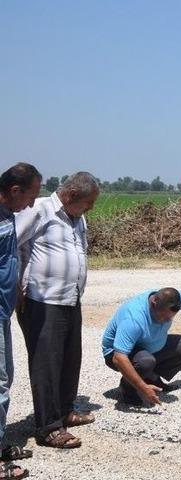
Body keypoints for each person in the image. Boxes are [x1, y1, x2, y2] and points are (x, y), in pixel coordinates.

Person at [16, 172, 99, 449]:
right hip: (43, 300)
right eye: (88, 203)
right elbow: (11, 244)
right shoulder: (39, 210)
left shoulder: (78, 218)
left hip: (70, 298)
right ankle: (49, 427)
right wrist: (18, 284)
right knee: (47, 365)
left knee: (69, 360)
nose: (91, 208)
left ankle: (65, 411)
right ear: (72, 195)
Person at [0, 163, 41, 480]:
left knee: (6, 377)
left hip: (3, 310)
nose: (31, 204)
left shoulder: (8, 215)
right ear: (15, 190)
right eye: (30, 196)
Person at [102, 288, 181, 406]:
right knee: (145, 361)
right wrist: (142, 387)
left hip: (149, 345)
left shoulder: (173, 299)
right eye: (163, 317)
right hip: (117, 353)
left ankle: (151, 378)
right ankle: (128, 389)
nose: (166, 321)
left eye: (169, 318)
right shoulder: (133, 318)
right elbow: (118, 358)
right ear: (154, 302)